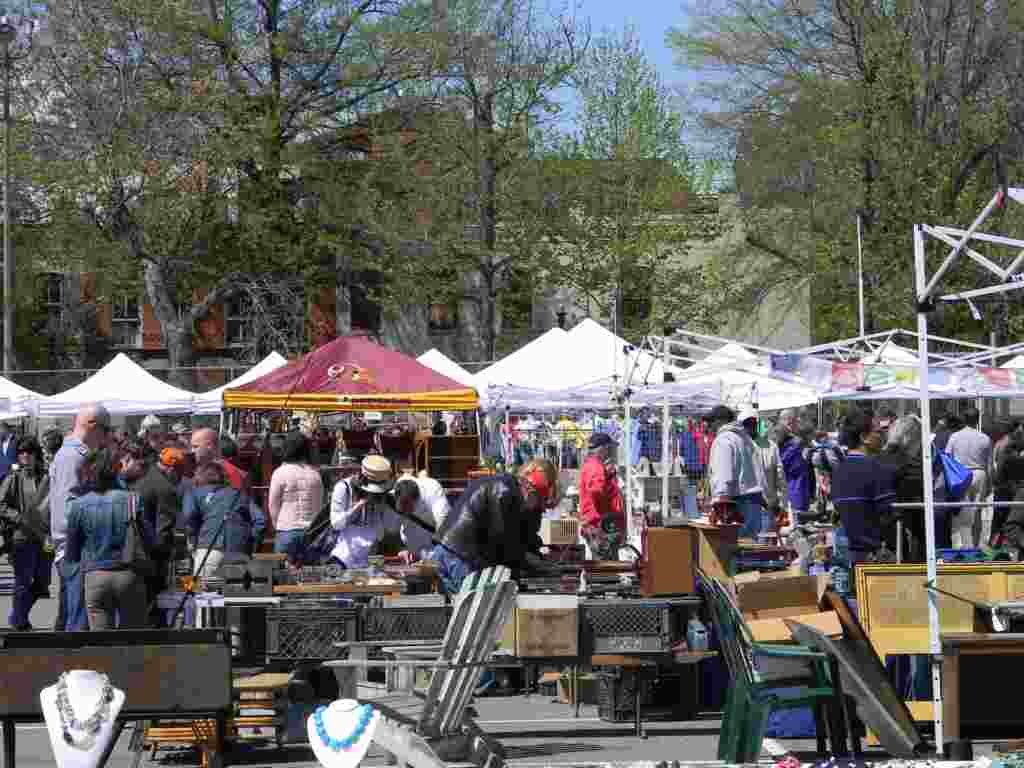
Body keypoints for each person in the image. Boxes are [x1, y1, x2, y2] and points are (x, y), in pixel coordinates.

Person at [429, 458, 560, 595]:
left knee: (461, 608)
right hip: (460, 555)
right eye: (540, 502)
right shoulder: (504, 492)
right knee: (473, 608)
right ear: (530, 492)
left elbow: (519, 538)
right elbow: (503, 543)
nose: (539, 508)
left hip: (452, 550)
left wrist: (536, 560)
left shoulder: (511, 490)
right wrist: (535, 564)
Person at [65, 448, 154, 630]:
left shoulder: (78, 505)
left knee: (101, 642)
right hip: (128, 573)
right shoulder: (133, 500)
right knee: (133, 638)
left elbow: (72, 552)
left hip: (95, 575)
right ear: (116, 471)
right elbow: (149, 538)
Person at [50, 402, 110, 632]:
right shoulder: (73, 457)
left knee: (75, 615)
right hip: (76, 550)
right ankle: (76, 664)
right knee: (78, 619)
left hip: (73, 548)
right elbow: (69, 510)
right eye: (105, 430)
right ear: (92, 426)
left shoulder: (73, 454)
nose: (106, 437)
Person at [831, 409, 897, 567]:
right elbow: (888, 514)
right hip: (875, 557)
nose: (881, 434)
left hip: (847, 556)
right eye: (877, 431)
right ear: (864, 437)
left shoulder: (838, 471)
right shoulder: (877, 468)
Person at [121, 439, 177, 623]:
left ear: (137, 461)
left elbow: (164, 529)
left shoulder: (158, 485)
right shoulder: (140, 481)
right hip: (140, 559)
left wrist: (155, 557)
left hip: (147, 560)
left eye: (125, 461)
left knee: (149, 610)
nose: (121, 466)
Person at [1, 437, 52, 629]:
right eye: (21, 452)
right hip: (22, 537)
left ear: (36, 454)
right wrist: (18, 517)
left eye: (29, 452)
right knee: (22, 582)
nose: (25, 455)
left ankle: (18, 616)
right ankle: (19, 621)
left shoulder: (47, 476)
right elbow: (1, 505)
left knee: (42, 584)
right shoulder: (14, 478)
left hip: (45, 537)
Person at [185, 462, 261, 579]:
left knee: (203, 595)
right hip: (238, 552)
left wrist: (193, 542)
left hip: (208, 550)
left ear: (199, 477)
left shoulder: (194, 493)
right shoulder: (240, 495)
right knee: (235, 594)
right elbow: (260, 521)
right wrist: (248, 542)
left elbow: (189, 516)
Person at [329, 455, 401, 569]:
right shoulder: (343, 488)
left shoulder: (385, 496)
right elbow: (336, 524)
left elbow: (392, 528)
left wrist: (386, 506)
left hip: (372, 560)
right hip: (344, 558)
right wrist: (357, 507)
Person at [706, 405, 764, 535]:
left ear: (720, 421)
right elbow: (759, 472)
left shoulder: (723, 439)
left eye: (711, 421)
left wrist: (720, 503)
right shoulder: (746, 440)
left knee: (735, 550)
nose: (709, 426)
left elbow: (723, 472)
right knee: (751, 547)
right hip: (753, 502)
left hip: (736, 503)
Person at [269, 432, 323, 563]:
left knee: (282, 576)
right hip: (311, 531)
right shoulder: (315, 474)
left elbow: (273, 505)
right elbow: (319, 505)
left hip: (287, 529)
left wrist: (278, 526)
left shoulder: (280, 473)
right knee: (312, 577)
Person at [945, 407, 992, 548]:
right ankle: (976, 544)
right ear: (977, 420)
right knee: (977, 511)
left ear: (964, 420)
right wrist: (989, 484)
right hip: (979, 473)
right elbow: (989, 464)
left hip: (961, 473)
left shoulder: (954, 437)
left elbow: (947, 458)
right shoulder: (985, 438)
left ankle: (961, 545)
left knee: (960, 510)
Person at [578, 433, 624, 559]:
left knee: (605, 567)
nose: (611, 452)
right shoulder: (595, 467)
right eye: (610, 449)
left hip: (599, 524)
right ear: (603, 449)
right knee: (606, 569)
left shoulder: (593, 465)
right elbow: (596, 491)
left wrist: (607, 477)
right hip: (600, 525)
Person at [741, 410, 787, 533]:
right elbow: (781, 478)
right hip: (762, 507)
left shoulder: (738, 447)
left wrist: (782, 504)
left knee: (752, 547)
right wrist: (783, 504)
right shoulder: (770, 446)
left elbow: (780, 477)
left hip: (754, 508)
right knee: (764, 547)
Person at [393, 473, 451, 562]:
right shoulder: (395, 494)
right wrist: (401, 549)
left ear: (417, 499)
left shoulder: (432, 489)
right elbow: (391, 529)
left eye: (408, 508)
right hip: (410, 550)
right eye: (402, 509)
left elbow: (444, 524)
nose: (405, 512)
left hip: (434, 548)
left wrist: (439, 553)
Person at [778, 409, 813, 523]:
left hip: (798, 491)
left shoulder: (795, 441)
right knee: (796, 524)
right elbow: (782, 464)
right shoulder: (789, 442)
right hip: (794, 493)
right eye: (796, 421)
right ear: (789, 422)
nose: (798, 423)